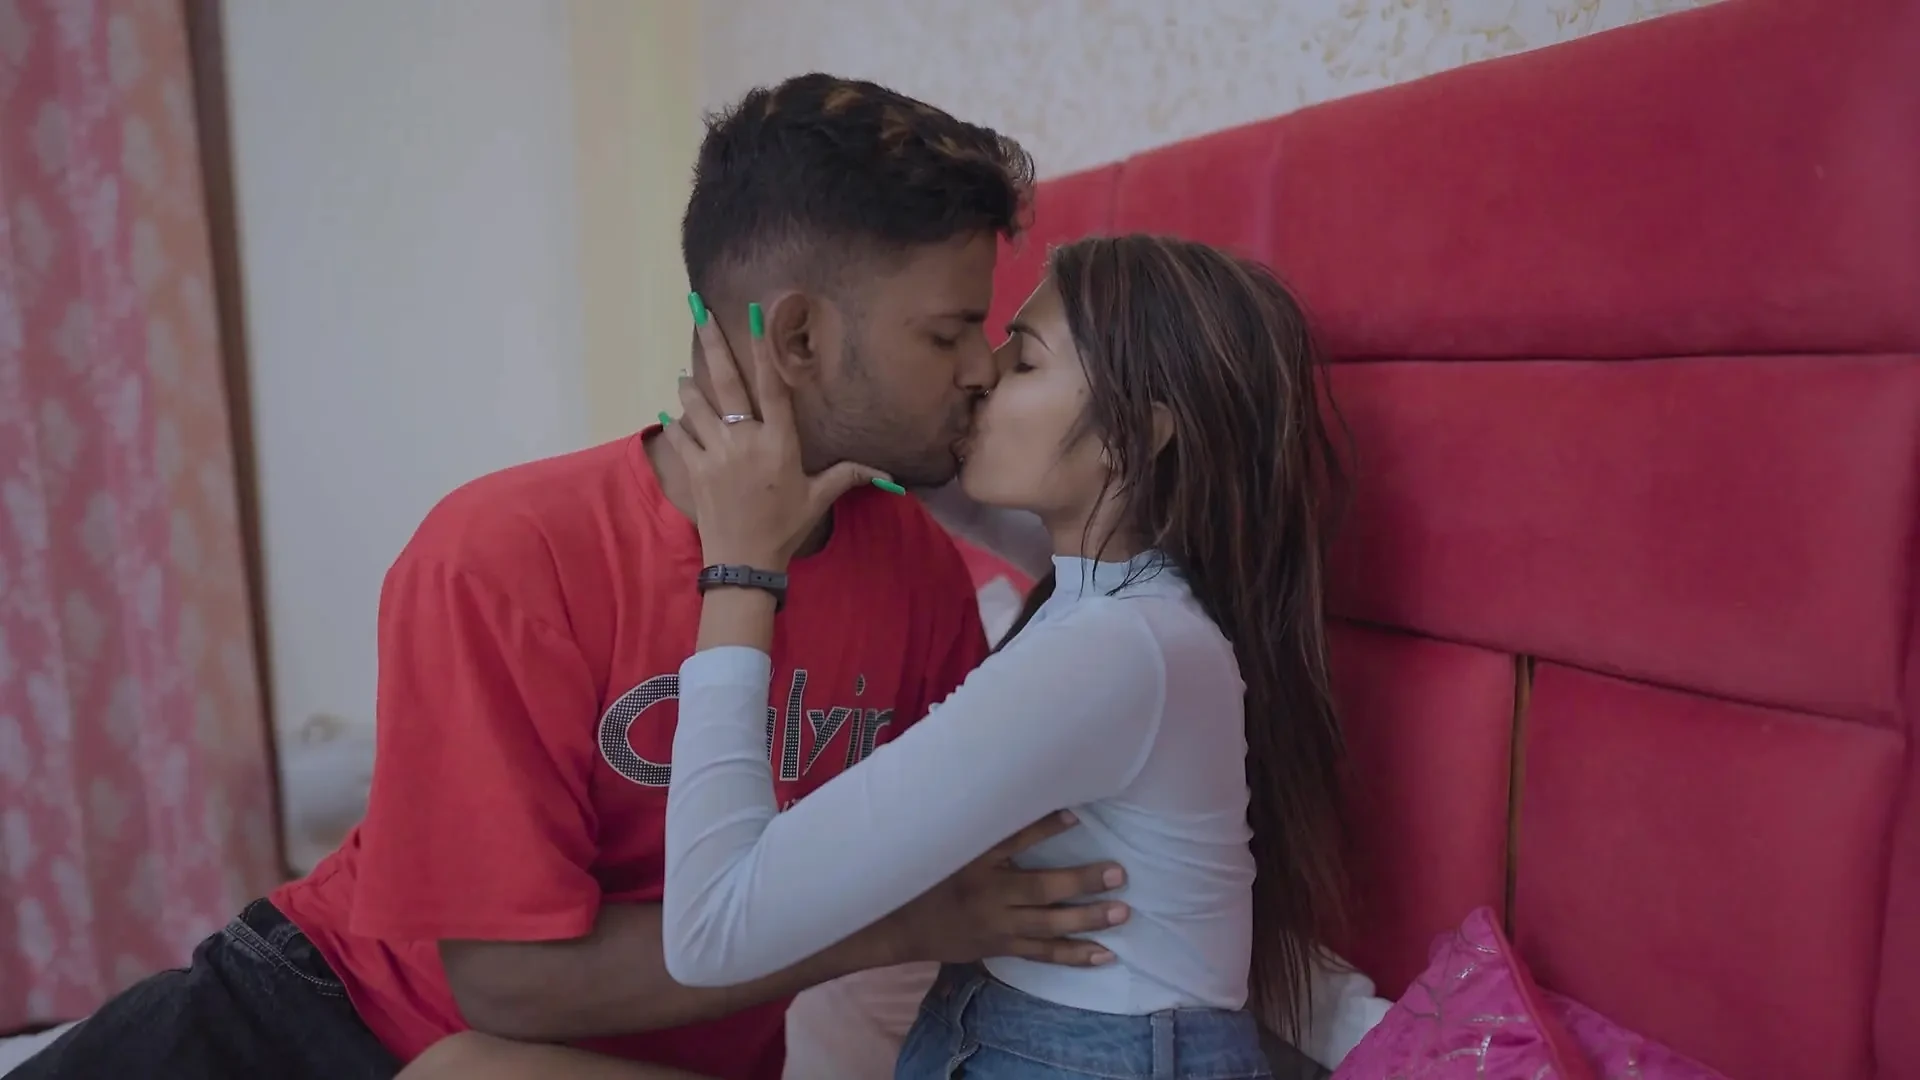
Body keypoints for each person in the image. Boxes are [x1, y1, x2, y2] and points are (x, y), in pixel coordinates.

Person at [12, 75, 1128, 1080]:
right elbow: (510, 984)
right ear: (796, 341)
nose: (983, 369)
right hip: (320, 1017)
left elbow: (982, 850)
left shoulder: (919, 572)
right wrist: (902, 927)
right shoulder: (506, 554)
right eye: (948, 333)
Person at [421, 232, 1352, 1080]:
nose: (979, 375)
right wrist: (804, 402)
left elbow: (712, 930)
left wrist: (741, 573)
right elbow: (946, 479)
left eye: (1021, 358)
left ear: (1138, 435)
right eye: (959, 338)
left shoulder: (1116, 651)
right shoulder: (1116, 606)